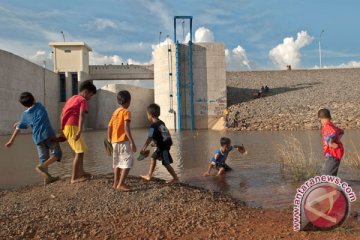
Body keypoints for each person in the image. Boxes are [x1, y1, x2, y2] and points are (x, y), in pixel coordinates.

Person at [4, 92, 62, 185]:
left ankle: (47, 179)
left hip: (37, 139)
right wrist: (19, 122)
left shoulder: (24, 115)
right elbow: (36, 116)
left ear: (23, 105)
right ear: (34, 100)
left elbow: (19, 128)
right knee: (57, 153)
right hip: (48, 135)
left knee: (43, 158)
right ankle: (42, 167)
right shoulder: (39, 106)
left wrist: (11, 141)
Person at [60, 80, 97, 184]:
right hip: (73, 127)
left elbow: (62, 113)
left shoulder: (72, 98)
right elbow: (81, 115)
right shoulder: (82, 100)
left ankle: (81, 171)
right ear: (86, 92)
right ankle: (74, 178)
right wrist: (80, 130)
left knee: (81, 150)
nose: (90, 98)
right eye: (90, 95)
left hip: (67, 127)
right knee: (79, 152)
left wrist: (62, 129)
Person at [140, 103, 179, 184]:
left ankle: (176, 178)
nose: (147, 116)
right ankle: (149, 175)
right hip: (165, 144)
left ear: (150, 115)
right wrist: (156, 144)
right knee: (153, 157)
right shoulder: (161, 122)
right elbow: (163, 135)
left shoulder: (153, 126)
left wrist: (144, 148)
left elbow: (149, 138)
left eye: (147, 114)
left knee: (166, 163)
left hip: (163, 147)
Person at [107, 90, 137, 192]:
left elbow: (109, 126)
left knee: (117, 163)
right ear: (128, 101)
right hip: (123, 141)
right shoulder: (126, 112)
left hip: (114, 142)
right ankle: (121, 183)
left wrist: (109, 139)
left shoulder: (115, 112)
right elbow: (126, 127)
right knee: (128, 162)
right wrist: (132, 141)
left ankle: (115, 183)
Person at [318, 108, 344, 176]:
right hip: (335, 153)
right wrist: (337, 140)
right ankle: (333, 186)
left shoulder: (326, 125)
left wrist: (331, 143)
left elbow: (333, 133)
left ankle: (330, 186)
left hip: (332, 153)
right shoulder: (331, 125)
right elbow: (341, 131)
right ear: (329, 117)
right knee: (331, 176)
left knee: (326, 176)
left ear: (319, 118)